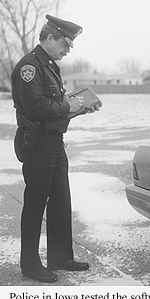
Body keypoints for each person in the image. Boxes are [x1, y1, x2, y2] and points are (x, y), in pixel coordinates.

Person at [11, 14, 94, 283]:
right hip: (37, 145)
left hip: (54, 143)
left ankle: (60, 257)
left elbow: (55, 110)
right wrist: (67, 106)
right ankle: (30, 264)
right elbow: (36, 108)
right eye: (65, 44)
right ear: (49, 37)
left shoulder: (49, 66)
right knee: (35, 204)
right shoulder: (30, 67)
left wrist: (79, 109)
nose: (68, 49)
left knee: (61, 200)